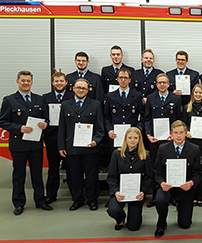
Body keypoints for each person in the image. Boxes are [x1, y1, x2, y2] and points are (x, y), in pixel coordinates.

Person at [0, 71, 52, 215]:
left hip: (36, 145)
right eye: (23, 80)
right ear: (17, 81)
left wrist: (45, 124)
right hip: (19, 144)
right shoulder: (9, 100)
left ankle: (40, 201)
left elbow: (46, 119)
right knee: (19, 175)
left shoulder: (39, 99)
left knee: (37, 174)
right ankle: (18, 203)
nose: (26, 83)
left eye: (28, 81)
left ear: (32, 82)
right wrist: (19, 128)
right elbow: (3, 121)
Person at [58, 78, 105, 211]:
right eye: (78, 87)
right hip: (72, 148)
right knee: (74, 175)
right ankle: (77, 200)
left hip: (90, 147)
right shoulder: (66, 104)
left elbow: (100, 127)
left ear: (88, 90)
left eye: (84, 88)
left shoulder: (95, 104)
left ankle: (92, 200)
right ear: (73, 88)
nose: (81, 90)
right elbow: (62, 127)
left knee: (91, 175)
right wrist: (61, 146)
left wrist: (96, 140)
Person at [153, 120, 202, 238]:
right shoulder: (162, 148)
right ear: (171, 133)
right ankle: (161, 222)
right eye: (176, 132)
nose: (178, 135)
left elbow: (199, 172)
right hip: (167, 187)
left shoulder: (194, 149)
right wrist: (161, 182)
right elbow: (157, 171)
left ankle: (181, 207)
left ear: (186, 133)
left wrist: (191, 183)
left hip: (185, 188)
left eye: (181, 132)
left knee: (185, 224)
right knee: (159, 199)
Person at [144, 73, 182, 207]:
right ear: (156, 84)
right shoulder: (150, 98)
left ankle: (174, 196)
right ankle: (156, 196)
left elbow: (179, 118)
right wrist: (148, 134)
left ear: (168, 84)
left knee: (173, 167)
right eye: (159, 82)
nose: (162, 84)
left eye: (164, 82)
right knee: (157, 167)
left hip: (171, 139)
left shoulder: (176, 98)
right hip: (155, 140)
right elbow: (147, 118)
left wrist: (174, 134)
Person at [107, 127, 153, 231]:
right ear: (125, 139)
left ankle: (135, 216)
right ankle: (120, 219)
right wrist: (116, 191)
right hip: (120, 191)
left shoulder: (145, 155)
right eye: (130, 137)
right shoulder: (117, 154)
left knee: (133, 227)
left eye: (135, 138)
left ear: (139, 139)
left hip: (136, 193)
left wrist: (143, 192)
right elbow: (111, 177)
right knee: (113, 210)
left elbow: (148, 177)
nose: (132, 140)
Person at [42, 72, 74, 204]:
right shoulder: (45, 98)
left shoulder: (72, 97)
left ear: (66, 82)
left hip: (69, 138)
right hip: (52, 138)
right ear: (52, 83)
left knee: (71, 169)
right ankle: (51, 195)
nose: (59, 83)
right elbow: (42, 116)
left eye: (61, 81)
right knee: (53, 168)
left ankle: (75, 195)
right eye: (56, 81)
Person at [104, 68, 144, 154]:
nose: (123, 80)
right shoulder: (110, 96)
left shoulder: (137, 95)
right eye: (121, 77)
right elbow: (106, 116)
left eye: (125, 78)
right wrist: (109, 130)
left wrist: (138, 129)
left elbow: (143, 116)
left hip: (133, 137)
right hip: (115, 136)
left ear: (129, 80)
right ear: (117, 79)